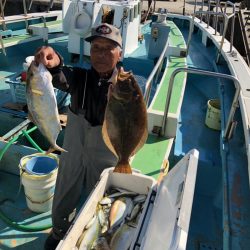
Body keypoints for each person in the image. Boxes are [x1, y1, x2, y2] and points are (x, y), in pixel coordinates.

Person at [35, 23, 123, 250]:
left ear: (120, 53)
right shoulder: (80, 78)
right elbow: (61, 76)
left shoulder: (128, 85)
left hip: (107, 154)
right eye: (96, 48)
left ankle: (97, 237)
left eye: (108, 48)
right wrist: (53, 62)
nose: (101, 54)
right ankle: (59, 230)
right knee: (64, 191)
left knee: (104, 199)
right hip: (74, 149)